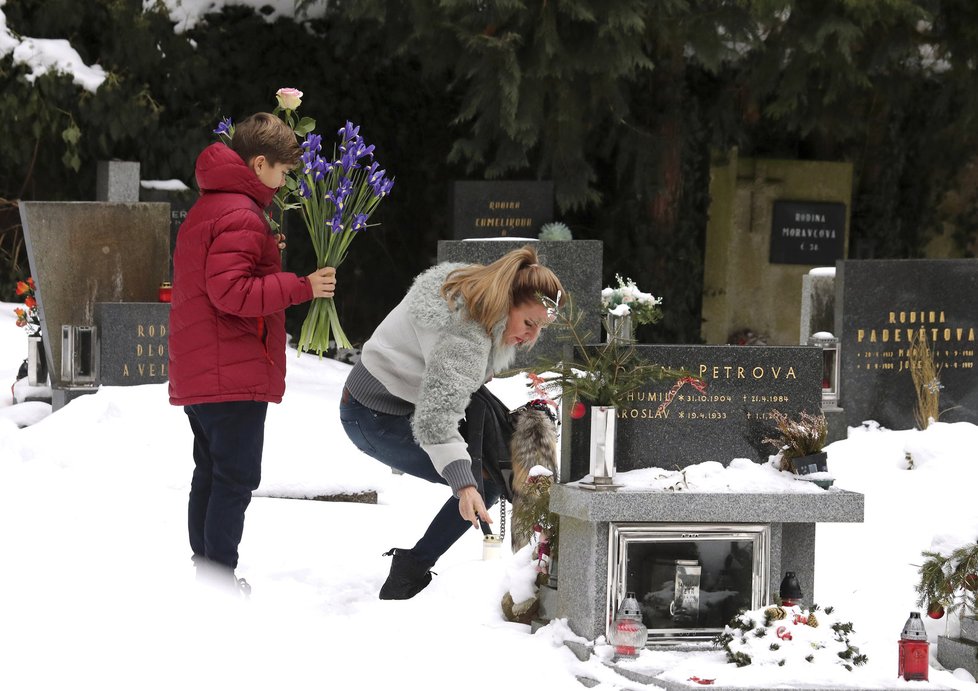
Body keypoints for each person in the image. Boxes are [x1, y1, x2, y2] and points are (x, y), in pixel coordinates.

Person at [168, 112, 336, 594]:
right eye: (282, 173)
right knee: (235, 477)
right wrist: (302, 286)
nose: (284, 183)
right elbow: (232, 293)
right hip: (230, 371)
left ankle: (208, 574)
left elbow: (221, 277)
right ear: (259, 163)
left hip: (205, 370)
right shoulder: (241, 213)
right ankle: (219, 581)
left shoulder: (215, 207)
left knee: (212, 471)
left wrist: (266, 249)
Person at [340, 245, 564, 599]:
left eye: (540, 328)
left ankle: (413, 566)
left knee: (489, 470)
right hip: (374, 416)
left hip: (403, 399)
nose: (531, 337)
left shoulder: (472, 287)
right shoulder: (466, 336)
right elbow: (437, 417)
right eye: (529, 323)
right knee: (482, 481)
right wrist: (464, 485)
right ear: (508, 302)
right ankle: (409, 573)